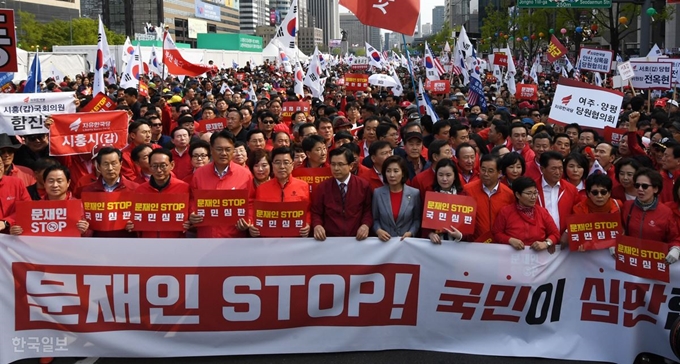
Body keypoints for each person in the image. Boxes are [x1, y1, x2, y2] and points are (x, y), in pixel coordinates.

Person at [189, 130, 254, 238]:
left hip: (234, 236)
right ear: (211, 149)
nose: (223, 153)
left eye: (228, 149)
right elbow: (192, 199)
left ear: (233, 150)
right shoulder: (199, 174)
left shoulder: (245, 175)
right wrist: (192, 213)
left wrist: (249, 220)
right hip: (206, 236)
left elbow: (251, 202)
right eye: (219, 149)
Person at [311, 148, 373, 241]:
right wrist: (317, 225)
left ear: (351, 166)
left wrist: (365, 225)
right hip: (330, 239)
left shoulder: (363, 185)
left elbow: (368, 210)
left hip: (357, 238)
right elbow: (316, 212)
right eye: (333, 164)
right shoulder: (322, 187)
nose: (336, 168)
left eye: (340, 164)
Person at [127, 149, 191, 238]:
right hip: (148, 242)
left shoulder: (184, 188)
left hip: (175, 242)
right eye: (155, 166)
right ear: (149, 167)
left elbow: (191, 213)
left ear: (172, 165)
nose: (159, 170)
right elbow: (133, 215)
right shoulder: (140, 190)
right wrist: (131, 224)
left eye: (163, 166)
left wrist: (190, 222)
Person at [248, 147, 311, 238]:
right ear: (272, 165)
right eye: (277, 162)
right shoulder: (261, 189)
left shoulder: (303, 186)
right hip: (269, 241)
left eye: (286, 162)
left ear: (292, 165)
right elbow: (257, 214)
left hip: (295, 240)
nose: (282, 166)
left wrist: (308, 224)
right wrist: (253, 226)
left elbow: (308, 210)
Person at [10, 165, 89, 236]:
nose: (55, 185)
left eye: (59, 181)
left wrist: (85, 231)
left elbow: (91, 234)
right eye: (51, 181)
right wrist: (15, 232)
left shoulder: (80, 207)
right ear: (44, 183)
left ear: (68, 183)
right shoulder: (35, 208)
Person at [622, 167, 680, 264]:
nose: (640, 189)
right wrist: (613, 243)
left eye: (644, 186)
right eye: (637, 185)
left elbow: (674, 238)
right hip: (631, 261)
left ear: (655, 189)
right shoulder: (627, 206)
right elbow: (620, 230)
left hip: (654, 263)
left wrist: (676, 249)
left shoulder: (666, 212)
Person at [492, 176, 560, 252]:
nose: (533, 197)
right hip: (511, 258)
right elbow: (497, 233)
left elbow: (555, 234)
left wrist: (546, 243)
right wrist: (509, 240)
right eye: (529, 193)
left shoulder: (542, 212)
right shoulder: (506, 212)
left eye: (535, 193)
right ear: (517, 195)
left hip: (538, 259)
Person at [464, 154, 515, 241]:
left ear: (499, 173)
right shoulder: (467, 190)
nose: (486, 174)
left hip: (499, 244)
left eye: (490, 171)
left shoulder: (509, 194)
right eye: (483, 170)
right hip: (473, 244)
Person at [372, 155, 421, 242]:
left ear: (403, 173)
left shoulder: (414, 193)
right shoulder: (378, 193)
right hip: (384, 243)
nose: (392, 175)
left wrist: (411, 232)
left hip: (406, 242)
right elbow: (375, 219)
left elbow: (417, 220)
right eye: (388, 171)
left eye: (396, 171)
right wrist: (378, 230)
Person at [536, 151, 580, 232]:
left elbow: (577, 214)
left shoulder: (571, 189)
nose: (558, 172)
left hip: (564, 239)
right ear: (542, 169)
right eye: (553, 168)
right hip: (539, 239)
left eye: (560, 168)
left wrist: (567, 232)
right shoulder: (533, 189)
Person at [426, 159, 465, 244]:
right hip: (435, 245)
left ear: (455, 176)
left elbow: (469, 224)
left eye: (448, 175)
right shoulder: (430, 195)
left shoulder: (463, 196)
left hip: (457, 245)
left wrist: (460, 235)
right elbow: (424, 222)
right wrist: (430, 233)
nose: (444, 179)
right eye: (440, 175)